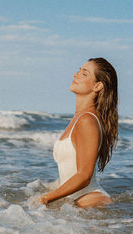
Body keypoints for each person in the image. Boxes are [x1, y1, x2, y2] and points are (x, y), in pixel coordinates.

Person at [39, 58, 118, 208]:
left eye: (84, 73)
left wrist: (45, 199)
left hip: (91, 202)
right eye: (78, 70)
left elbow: (84, 176)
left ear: (97, 86)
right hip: (77, 203)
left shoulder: (87, 120)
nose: (76, 75)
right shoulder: (79, 118)